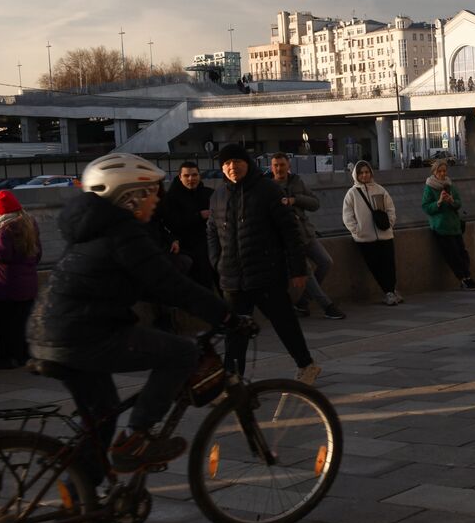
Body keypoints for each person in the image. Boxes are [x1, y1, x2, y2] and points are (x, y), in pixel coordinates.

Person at [27, 153, 231, 475]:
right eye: (150, 191)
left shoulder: (93, 228)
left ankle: (84, 506)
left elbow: (141, 281)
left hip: (50, 334)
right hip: (85, 336)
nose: (157, 199)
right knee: (182, 353)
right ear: (129, 196)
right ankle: (139, 436)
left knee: (101, 418)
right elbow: (170, 286)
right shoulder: (123, 231)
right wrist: (226, 316)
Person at [207, 144, 320, 384]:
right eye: (226, 164)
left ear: (247, 163)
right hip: (233, 278)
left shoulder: (267, 190)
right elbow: (212, 232)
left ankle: (306, 365)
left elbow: (290, 232)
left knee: (284, 322)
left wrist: (298, 270)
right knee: (235, 331)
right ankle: (232, 378)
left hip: (266, 274)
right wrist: (217, 263)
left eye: (236, 161)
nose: (232, 167)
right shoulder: (218, 195)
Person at [270, 153, 344, 320]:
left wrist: (295, 200)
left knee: (326, 262)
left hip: (306, 234)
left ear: (288, 165)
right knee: (306, 271)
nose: (279, 168)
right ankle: (327, 306)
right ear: (271, 167)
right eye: (276, 165)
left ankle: (303, 301)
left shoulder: (297, 182)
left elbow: (315, 203)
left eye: (282, 165)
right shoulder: (268, 187)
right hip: (288, 240)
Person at [0, 189, 41, 369]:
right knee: (24, 323)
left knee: (6, 326)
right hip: (28, 285)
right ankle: (25, 356)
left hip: (8, 285)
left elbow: (3, 255)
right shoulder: (30, 224)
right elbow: (38, 254)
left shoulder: (6, 228)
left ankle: (8, 358)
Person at [342, 159, 401, 305]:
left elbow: (390, 209)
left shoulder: (380, 190)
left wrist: (390, 224)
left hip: (385, 234)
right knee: (376, 267)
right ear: (356, 175)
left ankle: (391, 290)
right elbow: (347, 215)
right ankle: (388, 292)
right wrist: (357, 231)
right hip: (365, 238)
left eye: (367, 172)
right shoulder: (352, 194)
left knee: (389, 265)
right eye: (361, 173)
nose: (364, 175)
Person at [156, 161, 216, 290]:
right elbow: (172, 223)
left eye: (194, 175)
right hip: (186, 247)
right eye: (186, 175)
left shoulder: (209, 194)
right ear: (180, 177)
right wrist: (198, 216)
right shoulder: (171, 198)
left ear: (199, 176)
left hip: (211, 243)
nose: (191, 179)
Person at [422, 160, 475, 290]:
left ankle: (468, 276)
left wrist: (452, 201)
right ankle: (462, 279)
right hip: (441, 227)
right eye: (439, 171)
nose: (442, 174)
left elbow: (459, 203)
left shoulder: (450, 185)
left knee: (462, 253)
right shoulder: (429, 187)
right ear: (434, 172)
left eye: (444, 171)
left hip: (454, 225)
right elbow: (425, 207)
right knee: (452, 254)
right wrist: (439, 201)